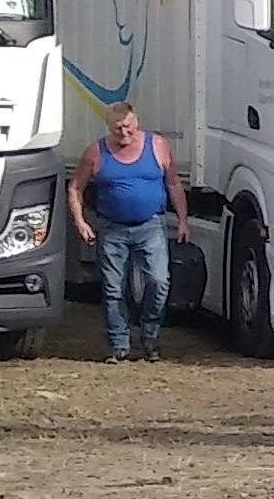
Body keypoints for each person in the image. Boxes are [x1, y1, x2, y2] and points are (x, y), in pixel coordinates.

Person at [65, 103, 187, 364]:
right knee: (113, 288)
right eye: (117, 128)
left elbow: (174, 183)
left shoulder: (158, 145)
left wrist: (183, 220)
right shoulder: (95, 152)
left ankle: (150, 335)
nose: (123, 133)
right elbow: (75, 187)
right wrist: (80, 221)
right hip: (112, 228)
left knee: (159, 281)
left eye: (128, 127)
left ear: (136, 122)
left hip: (150, 224)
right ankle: (119, 344)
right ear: (109, 127)